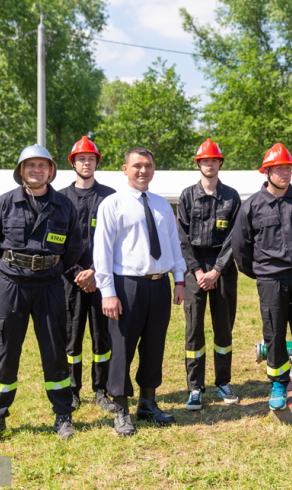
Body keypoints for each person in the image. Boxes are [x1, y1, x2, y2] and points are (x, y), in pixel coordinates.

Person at [0, 145, 82, 446]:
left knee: (54, 350)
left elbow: (74, 246)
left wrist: (52, 268)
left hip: (51, 285)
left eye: (42, 165)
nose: (36, 170)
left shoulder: (64, 205)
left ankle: (63, 414)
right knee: (4, 351)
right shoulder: (4, 203)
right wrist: (14, 269)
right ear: (21, 171)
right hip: (11, 285)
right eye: (30, 165)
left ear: (51, 170)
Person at [95, 147, 187, 437]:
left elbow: (173, 244)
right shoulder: (112, 204)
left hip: (159, 284)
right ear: (125, 169)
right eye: (136, 165)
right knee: (122, 349)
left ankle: (148, 403)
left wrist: (179, 278)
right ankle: (121, 410)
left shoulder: (162, 205)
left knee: (154, 345)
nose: (142, 170)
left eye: (147, 165)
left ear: (154, 168)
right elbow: (103, 250)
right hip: (127, 285)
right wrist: (107, 291)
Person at [232, 143, 292, 411]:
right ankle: (278, 383)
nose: (285, 172)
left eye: (289, 168)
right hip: (270, 281)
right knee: (274, 332)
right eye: (279, 168)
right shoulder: (252, 206)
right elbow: (241, 248)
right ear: (267, 171)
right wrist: (262, 272)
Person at [177, 138, 242, 411]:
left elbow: (234, 238)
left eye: (214, 160)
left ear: (220, 163)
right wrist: (197, 270)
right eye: (204, 160)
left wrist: (216, 271)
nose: (209, 164)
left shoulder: (231, 196)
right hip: (195, 268)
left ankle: (223, 382)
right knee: (194, 330)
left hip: (223, 269)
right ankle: (195, 387)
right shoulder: (187, 196)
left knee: (223, 327)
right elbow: (181, 237)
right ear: (198, 164)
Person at [59, 136, 118, 413]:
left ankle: (101, 390)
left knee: (101, 336)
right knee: (71, 337)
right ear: (73, 162)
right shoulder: (60, 198)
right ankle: (72, 391)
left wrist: (96, 272)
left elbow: (117, 239)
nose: (86, 162)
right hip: (69, 280)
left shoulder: (110, 196)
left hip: (102, 279)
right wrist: (78, 273)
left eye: (91, 158)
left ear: (97, 162)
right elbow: (55, 242)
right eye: (81, 158)